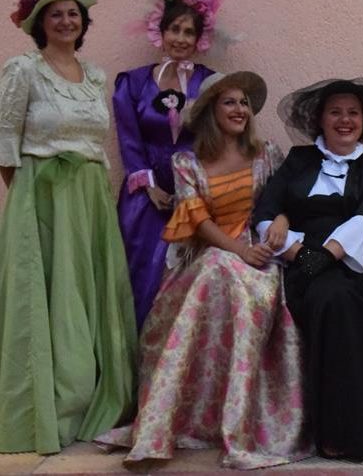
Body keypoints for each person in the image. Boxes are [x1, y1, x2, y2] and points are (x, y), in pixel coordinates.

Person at [96, 71, 309, 469]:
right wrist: (238, 251)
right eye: (230, 102)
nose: (240, 109)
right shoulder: (187, 162)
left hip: (261, 254)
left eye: (244, 103)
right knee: (216, 268)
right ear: (212, 111)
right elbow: (198, 220)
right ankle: (163, 425)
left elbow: (283, 200)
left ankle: (239, 427)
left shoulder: (267, 154)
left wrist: (280, 220)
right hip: (211, 251)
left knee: (233, 280)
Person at [0, 0, 137, 454]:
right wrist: (28, 202)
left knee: (86, 291)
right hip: (42, 194)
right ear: (40, 23)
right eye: (55, 14)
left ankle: (92, 399)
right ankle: (47, 407)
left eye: (73, 14)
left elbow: (95, 140)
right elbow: (5, 140)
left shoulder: (95, 75)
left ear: (83, 23)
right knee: (49, 294)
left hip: (89, 196)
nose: (65, 21)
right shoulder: (24, 70)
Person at [253, 78, 363, 460]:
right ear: (320, 119)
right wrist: (297, 251)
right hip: (302, 258)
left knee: (362, 305)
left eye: (353, 113)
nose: (345, 120)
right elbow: (266, 210)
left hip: (357, 257)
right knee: (331, 300)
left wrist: (327, 255)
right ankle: (335, 429)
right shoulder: (298, 159)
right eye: (335, 112)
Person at [115, 0, 220, 330]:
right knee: (141, 272)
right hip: (145, 195)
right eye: (174, 29)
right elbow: (129, 140)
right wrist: (149, 186)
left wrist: (194, 191)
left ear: (199, 38)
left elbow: (215, 139)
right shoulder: (133, 82)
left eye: (188, 32)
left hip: (194, 193)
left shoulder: (210, 82)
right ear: (160, 31)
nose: (180, 38)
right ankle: (134, 354)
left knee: (186, 276)